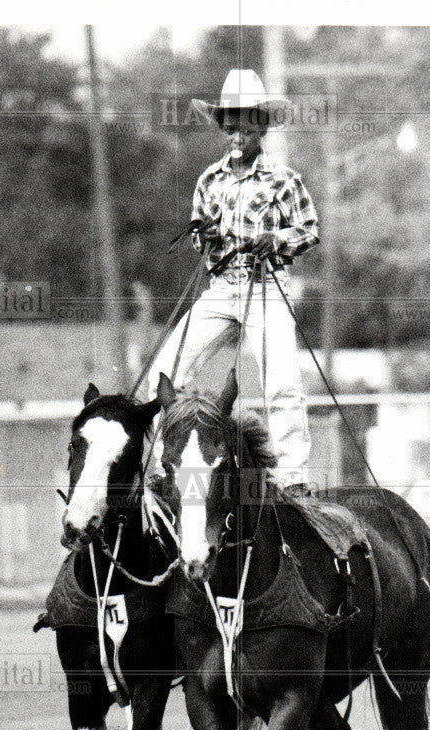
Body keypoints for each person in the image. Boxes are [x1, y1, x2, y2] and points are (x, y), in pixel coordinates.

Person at [147, 69, 319, 495]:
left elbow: (309, 229)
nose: (235, 131)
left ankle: (294, 478)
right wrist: (201, 237)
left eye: (244, 122)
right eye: (228, 122)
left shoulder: (284, 179)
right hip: (221, 290)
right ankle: (158, 465)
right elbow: (197, 237)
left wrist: (275, 239)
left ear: (260, 126)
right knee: (164, 373)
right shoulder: (210, 180)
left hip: (266, 290)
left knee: (282, 385)